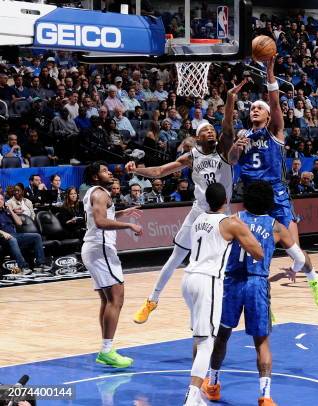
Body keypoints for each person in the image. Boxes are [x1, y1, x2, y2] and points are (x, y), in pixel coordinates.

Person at [231, 59, 318, 306]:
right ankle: (265, 302)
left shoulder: (275, 130)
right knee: (256, 254)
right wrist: (236, 148)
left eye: (259, 108)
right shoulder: (242, 135)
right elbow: (232, 160)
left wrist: (270, 72)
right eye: (252, 107)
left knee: (294, 246)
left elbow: (274, 103)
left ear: (267, 114)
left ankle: (314, 278)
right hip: (253, 196)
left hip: (276, 192)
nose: (255, 109)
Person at [203, 181, 308, 406]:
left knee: (222, 336)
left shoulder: (233, 219)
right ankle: (265, 396)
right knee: (261, 342)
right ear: (270, 201)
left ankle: (212, 384)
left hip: (230, 283)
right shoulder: (276, 227)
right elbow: (299, 258)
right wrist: (293, 271)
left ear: (246, 199)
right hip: (257, 285)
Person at [128, 117, 237, 323]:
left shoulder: (224, 151)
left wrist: (230, 98)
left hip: (222, 213)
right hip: (199, 212)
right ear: (198, 137)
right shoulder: (192, 157)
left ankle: (250, 301)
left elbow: (228, 128)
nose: (211, 132)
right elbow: (159, 171)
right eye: (206, 130)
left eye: (213, 129)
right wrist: (135, 169)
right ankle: (152, 299)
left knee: (232, 261)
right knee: (176, 257)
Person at [181, 183, 264, 406]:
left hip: (188, 279)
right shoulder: (230, 223)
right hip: (207, 281)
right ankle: (192, 397)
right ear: (226, 200)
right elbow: (258, 252)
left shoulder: (198, 219)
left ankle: (196, 395)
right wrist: (244, 230)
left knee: (199, 338)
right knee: (207, 343)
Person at [80, 161, 143, 368]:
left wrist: (122, 214)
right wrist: (129, 225)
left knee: (107, 300)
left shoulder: (94, 193)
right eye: (105, 171)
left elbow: (101, 217)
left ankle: (105, 349)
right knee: (117, 297)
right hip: (101, 250)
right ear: (96, 177)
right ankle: (107, 350)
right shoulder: (100, 193)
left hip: (94, 249)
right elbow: (100, 222)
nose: (110, 173)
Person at [0, 193, 51, 274]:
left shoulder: (6, 212)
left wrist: (11, 211)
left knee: (36, 236)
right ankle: (23, 267)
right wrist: (3, 233)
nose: (0, 201)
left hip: (14, 235)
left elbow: (19, 223)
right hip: (3, 238)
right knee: (12, 239)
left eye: (2, 199)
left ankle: (40, 264)